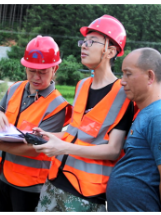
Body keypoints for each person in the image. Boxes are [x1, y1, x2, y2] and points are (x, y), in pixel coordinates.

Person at [32, 15, 134, 212]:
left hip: (85, 194)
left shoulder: (123, 94)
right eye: (83, 41)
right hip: (54, 181)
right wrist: (49, 137)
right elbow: (75, 134)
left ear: (110, 51)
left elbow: (113, 150)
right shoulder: (82, 85)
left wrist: (62, 148)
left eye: (91, 42)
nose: (83, 46)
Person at [0, 35, 72, 212]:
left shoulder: (57, 105)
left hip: (29, 187)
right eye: (32, 70)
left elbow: (36, 148)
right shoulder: (14, 89)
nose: (36, 77)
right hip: (1, 177)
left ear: (55, 68)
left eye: (43, 71)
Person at [106, 47, 161, 212]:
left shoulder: (160, 117)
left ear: (150, 77)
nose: (122, 81)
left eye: (128, 74)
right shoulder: (145, 112)